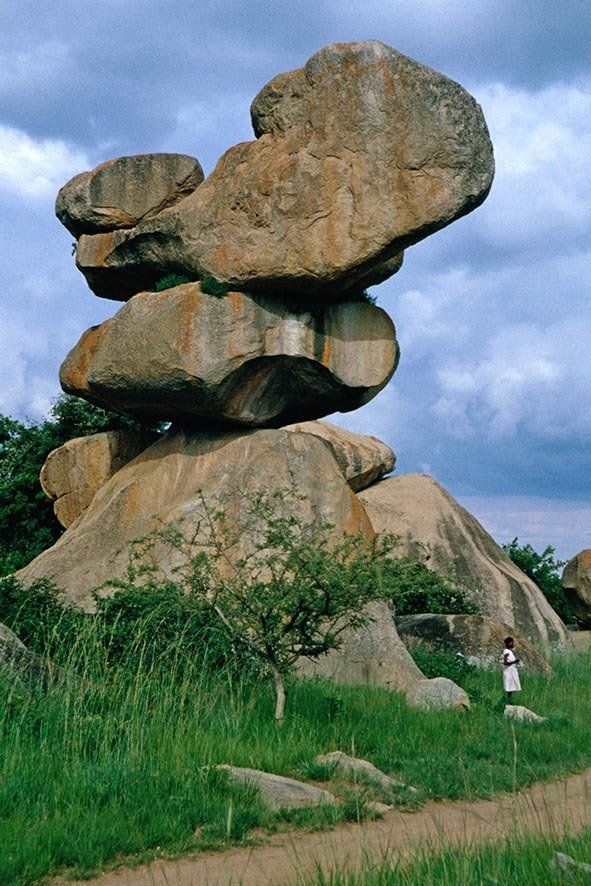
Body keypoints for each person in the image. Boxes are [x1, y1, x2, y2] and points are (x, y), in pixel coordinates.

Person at [502, 636, 521, 704]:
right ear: (509, 643)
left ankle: (509, 701)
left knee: (511, 687)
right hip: (509, 671)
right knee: (509, 687)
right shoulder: (506, 651)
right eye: (512, 643)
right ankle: (508, 701)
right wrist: (514, 662)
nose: (513, 644)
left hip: (511, 671)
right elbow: (505, 662)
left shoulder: (509, 651)